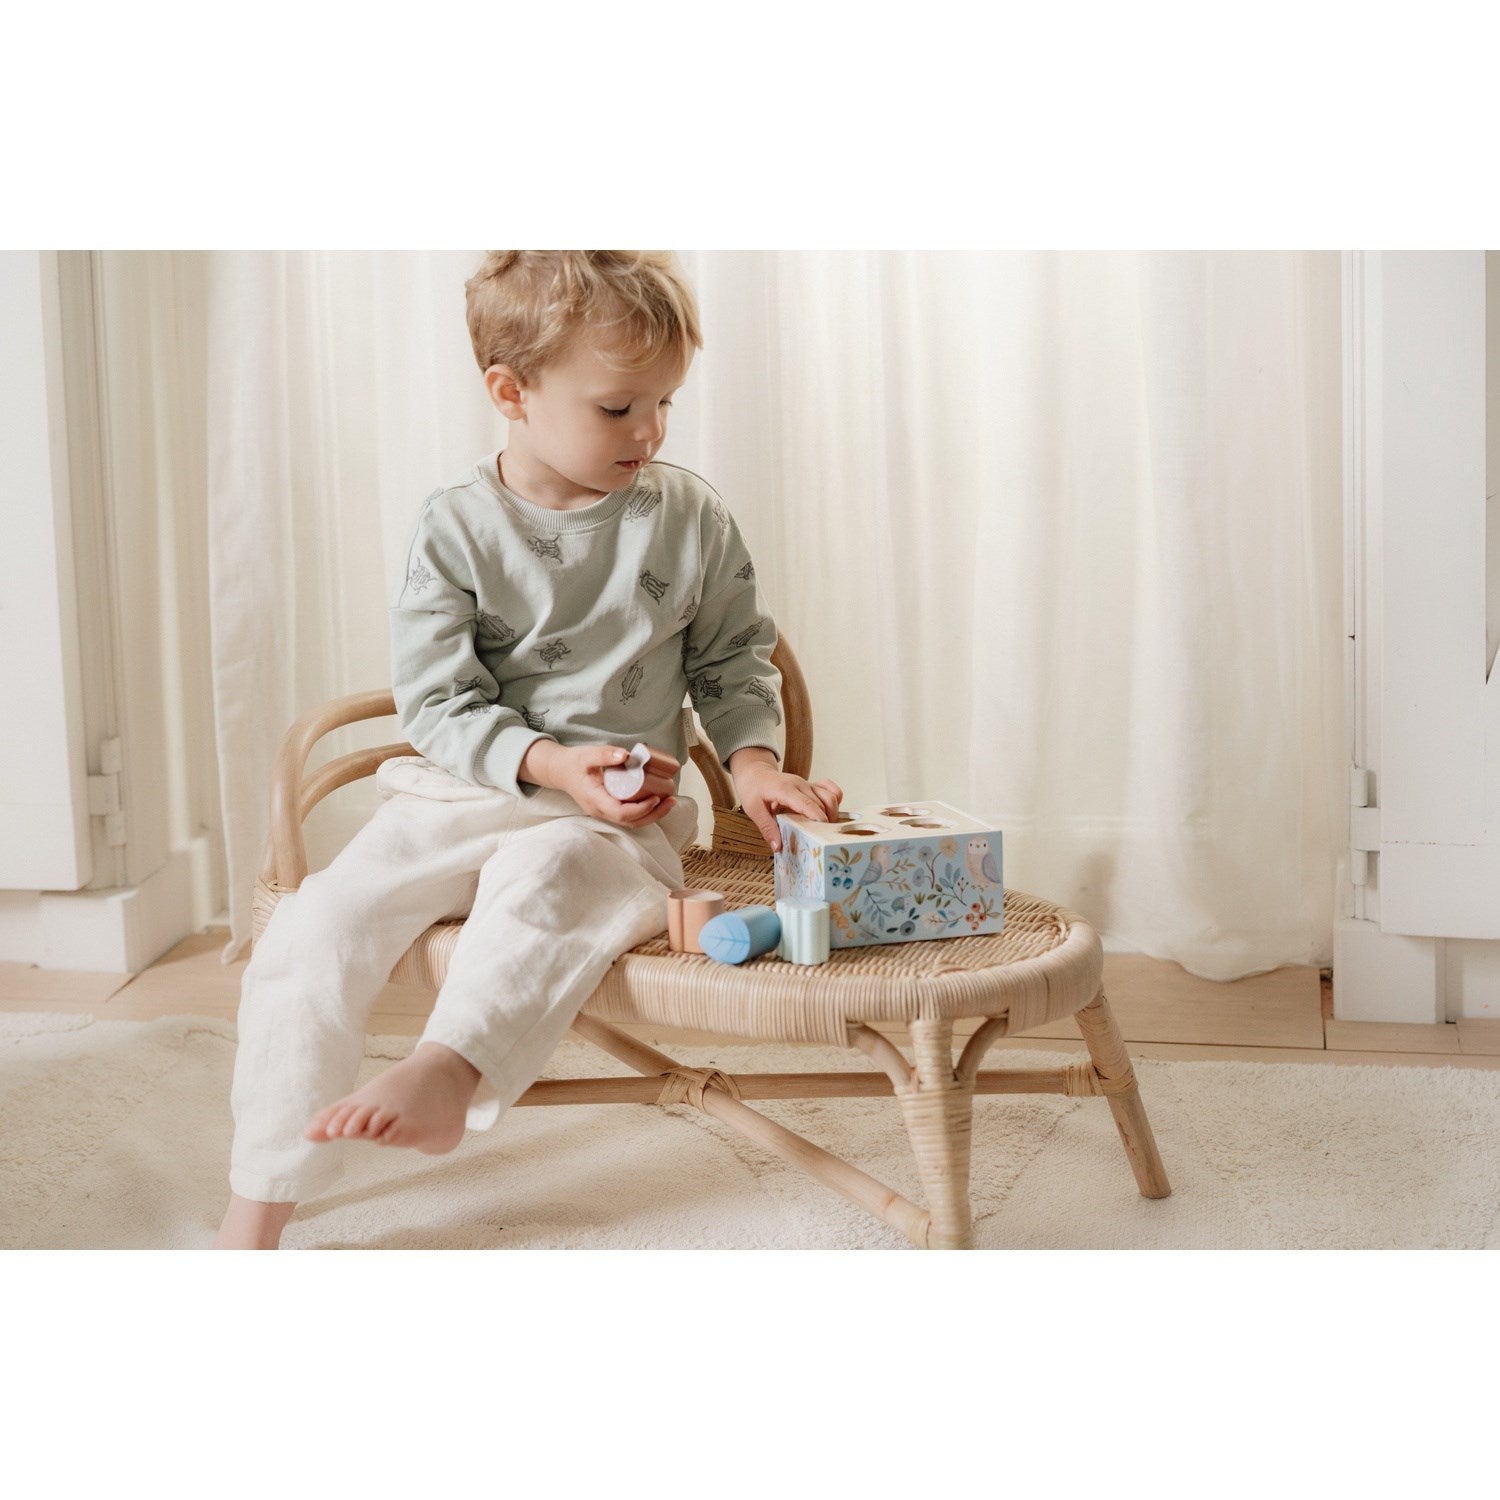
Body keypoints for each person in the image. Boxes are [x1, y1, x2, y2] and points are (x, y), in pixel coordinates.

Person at [214, 250, 843, 1249]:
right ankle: (256, 1206)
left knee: (547, 876)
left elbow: (733, 663)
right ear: (511, 392)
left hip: (612, 822)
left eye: (666, 403)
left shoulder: (690, 519)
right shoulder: (456, 526)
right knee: (316, 925)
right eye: (618, 408)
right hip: (461, 795)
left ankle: (446, 1071)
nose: (651, 431)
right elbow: (436, 702)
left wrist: (756, 767)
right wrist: (548, 763)